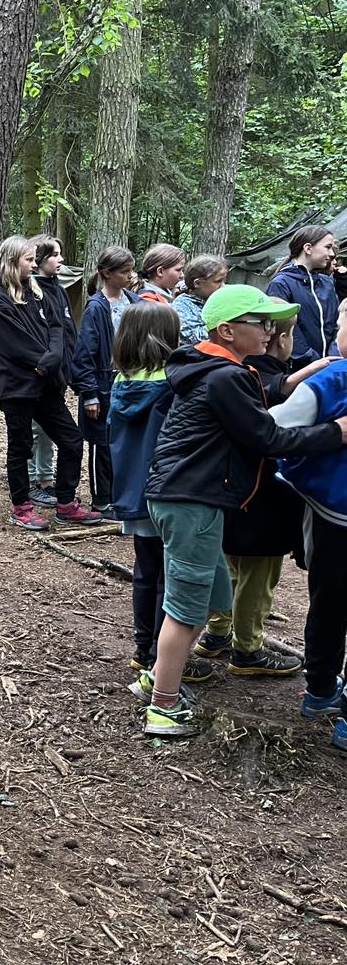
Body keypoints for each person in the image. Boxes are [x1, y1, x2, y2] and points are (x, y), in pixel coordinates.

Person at [133, 285, 347, 738]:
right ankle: (163, 706)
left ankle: (159, 676)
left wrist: (287, 384)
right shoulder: (224, 377)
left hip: (192, 499)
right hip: (191, 501)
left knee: (209, 595)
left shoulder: (224, 369)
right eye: (262, 323)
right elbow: (269, 438)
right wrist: (336, 432)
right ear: (228, 330)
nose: (272, 332)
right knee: (188, 608)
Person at [196, 301, 336, 677]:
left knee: (230, 567)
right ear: (282, 338)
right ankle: (248, 649)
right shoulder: (263, 381)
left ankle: (217, 632)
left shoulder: (234, 372)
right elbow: (274, 435)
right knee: (258, 578)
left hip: (229, 495)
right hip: (265, 501)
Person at [108, 302, 213, 681]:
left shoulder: (121, 382)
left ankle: (142, 648)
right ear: (166, 338)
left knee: (145, 571)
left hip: (132, 493)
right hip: (166, 489)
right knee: (168, 577)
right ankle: (160, 656)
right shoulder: (173, 384)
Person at [0, 237, 101, 531]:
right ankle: (21, 506)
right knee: (20, 445)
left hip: (46, 382)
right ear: (12, 260)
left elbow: (57, 327)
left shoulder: (36, 290)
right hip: (18, 386)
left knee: (72, 440)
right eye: (29, 260)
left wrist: (52, 358)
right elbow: (13, 344)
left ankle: (66, 503)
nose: (34, 265)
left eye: (35, 260)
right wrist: (43, 361)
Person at [273, 299, 347, 750]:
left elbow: (274, 428)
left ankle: (319, 690)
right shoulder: (331, 377)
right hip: (333, 510)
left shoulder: (333, 378)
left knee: (329, 598)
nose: (336, 327)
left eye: (340, 321)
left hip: (333, 513)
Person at [72, 247, 141, 514]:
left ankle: (123, 496)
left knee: (125, 442)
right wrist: (89, 393)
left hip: (132, 383)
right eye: (125, 271)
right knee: (103, 444)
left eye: (131, 270)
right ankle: (102, 498)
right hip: (103, 386)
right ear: (106, 273)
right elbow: (85, 354)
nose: (130, 276)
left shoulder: (134, 301)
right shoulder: (96, 308)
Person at [27, 235, 79, 506]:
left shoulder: (57, 288)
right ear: (37, 260)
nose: (60, 259)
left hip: (59, 374)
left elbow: (67, 331)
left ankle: (46, 480)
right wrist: (46, 367)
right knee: (35, 430)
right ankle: (32, 482)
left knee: (47, 431)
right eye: (54, 254)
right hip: (41, 376)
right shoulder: (33, 290)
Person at [267, 224, 340, 369]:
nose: (332, 253)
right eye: (328, 247)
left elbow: (336, 323)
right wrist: (312, 361)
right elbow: (285, 328)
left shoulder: (327, 283)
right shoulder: (281, 283)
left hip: (330, 365)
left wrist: (332, 358)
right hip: (298, 369)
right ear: (308, 248)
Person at [172, 254, 228, 345]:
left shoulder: (217, 301)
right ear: (197, 283)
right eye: (218, 281)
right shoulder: (182, 305)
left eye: (223, 281)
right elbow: (193, 337)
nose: (223, 286)